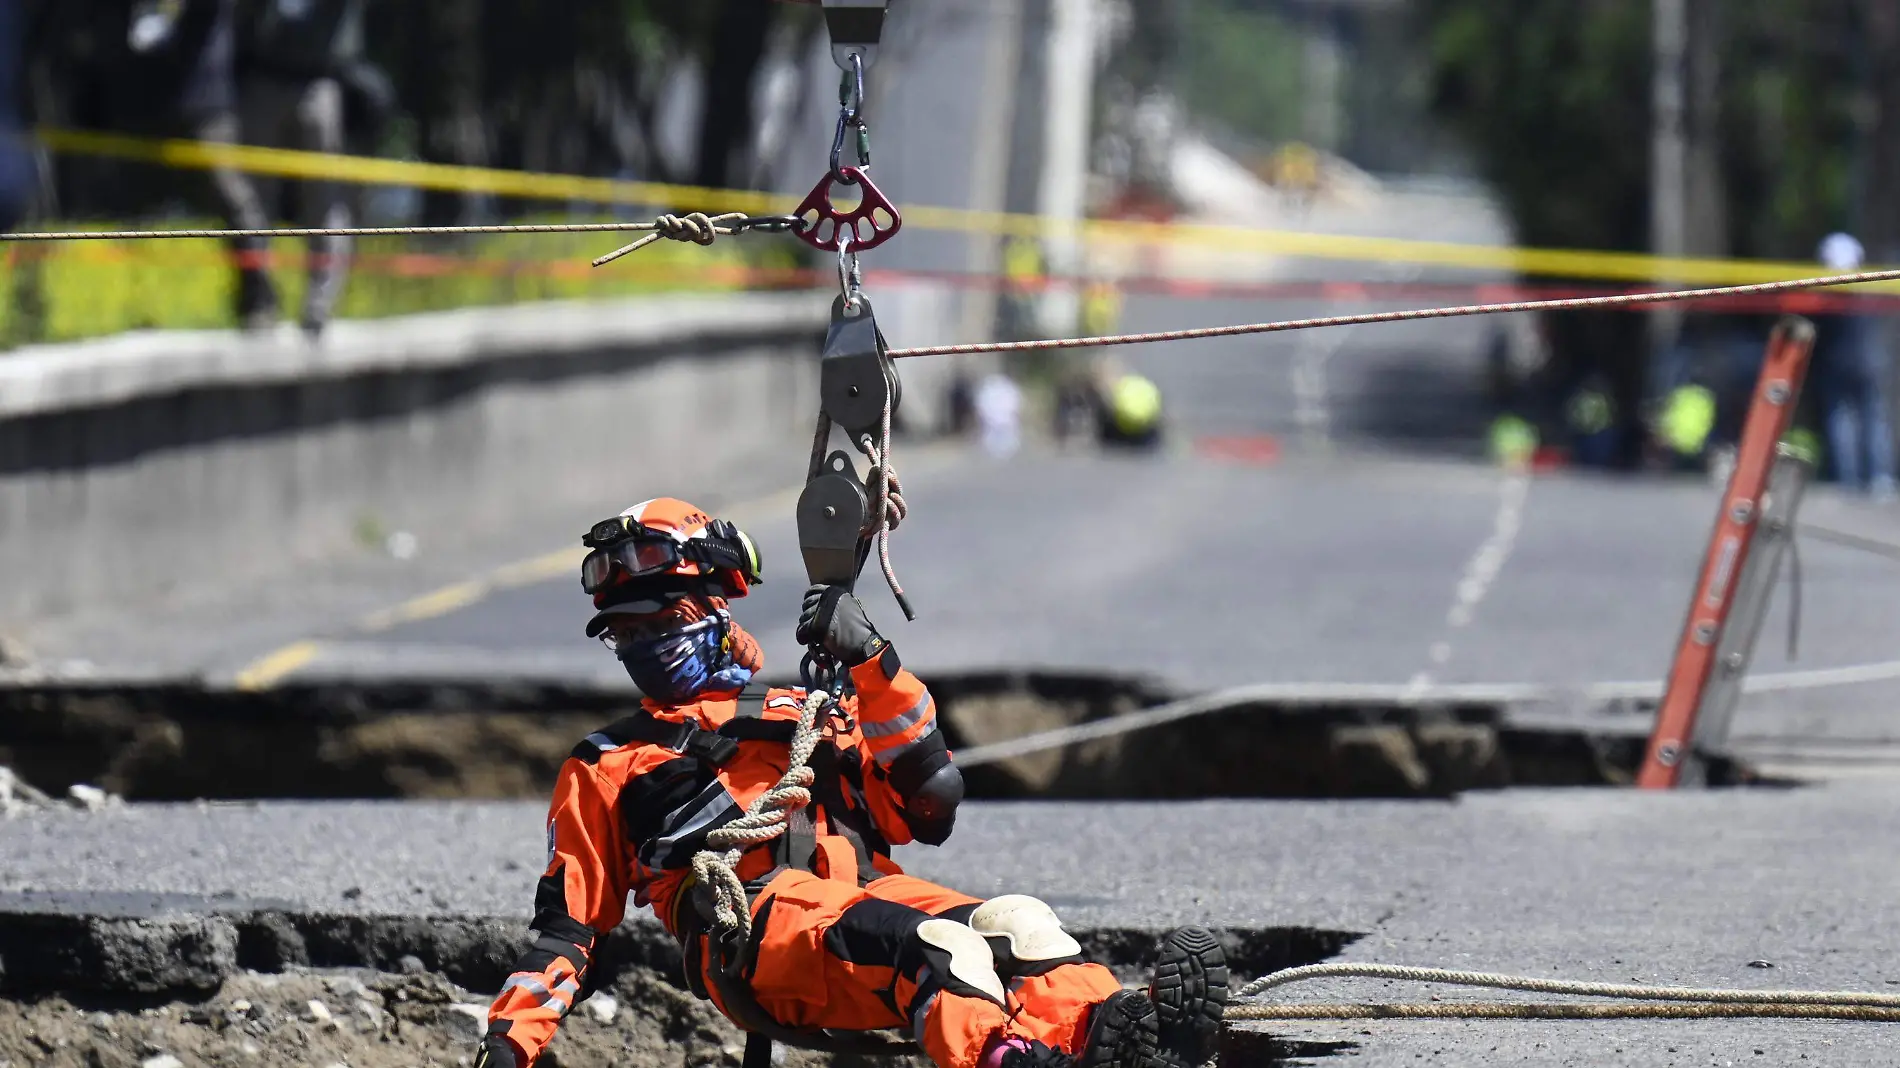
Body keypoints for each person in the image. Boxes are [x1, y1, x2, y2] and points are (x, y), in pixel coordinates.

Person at [476, 498, 1229, 1068]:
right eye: (625, 634)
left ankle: (1119, 1034)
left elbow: (928, 804)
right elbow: (566, 930)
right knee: (937, 951)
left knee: (1021, 926)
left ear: (714, 605)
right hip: (752, 934)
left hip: (867, 891)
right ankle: (1013, 1058)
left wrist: (871, 660)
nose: (644, 645)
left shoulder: (807, 709)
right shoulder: (607, 761)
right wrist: (510, 1044)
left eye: (661, 620)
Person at [1811, 233, 1897, 500]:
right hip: (1868, 363)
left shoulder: (1826, 293)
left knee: (1846, 420)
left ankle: (1851, 479)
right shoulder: (1869, 288)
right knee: (1870, 421)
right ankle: (1877, 478)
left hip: (1841, 364)